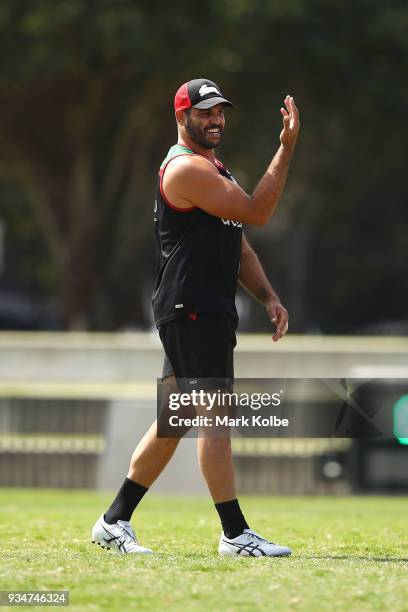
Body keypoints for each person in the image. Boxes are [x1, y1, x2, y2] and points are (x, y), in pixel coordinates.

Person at [92, 78, 300, 557]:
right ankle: (234, 533)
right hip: (193, 309)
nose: (216, 119)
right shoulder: (186, 168)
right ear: (182, 116)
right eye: (205, 112)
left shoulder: (213, 167)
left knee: (175, 420)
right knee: (215, 419)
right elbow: (258, 212)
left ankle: (114, 521)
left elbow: (238, 239)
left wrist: (267, 295)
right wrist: (286, 148)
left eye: (220, 111)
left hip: (200, 308)